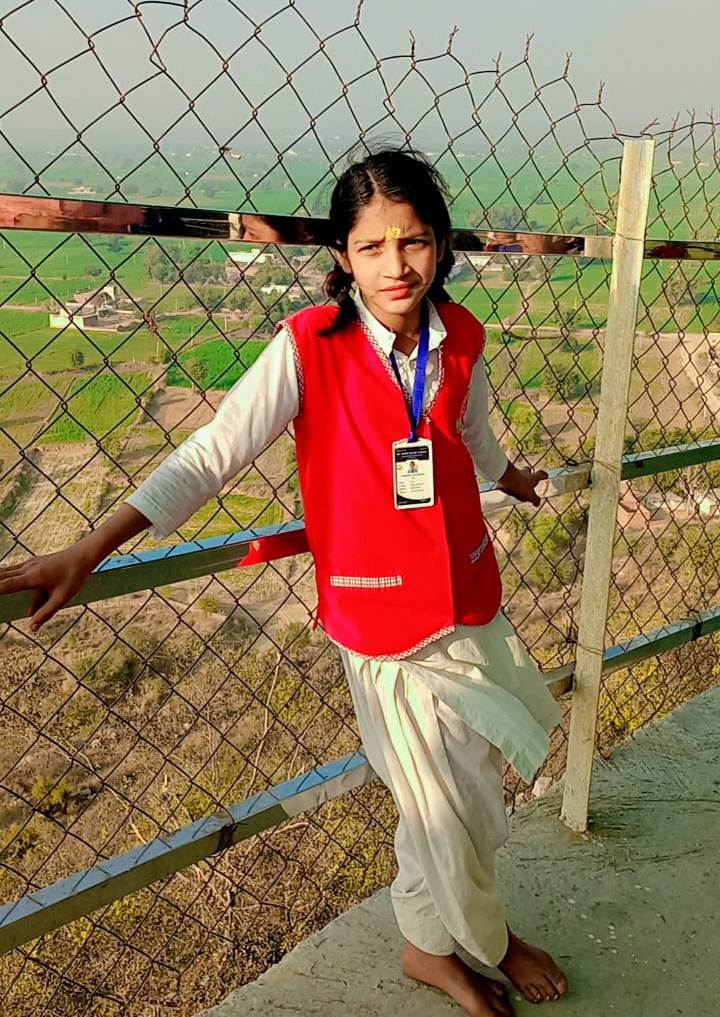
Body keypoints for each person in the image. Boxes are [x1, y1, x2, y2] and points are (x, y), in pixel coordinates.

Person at [0, 148, 568, 1017]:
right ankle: (489, 943)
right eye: (371, 246)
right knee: (444, 811)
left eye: (413, 241)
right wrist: (92, 547)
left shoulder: (461, 337)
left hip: (468, 592)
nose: (395, 265)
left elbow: (473, 434)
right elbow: (211, 455)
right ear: (343, 255)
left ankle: (427, 947)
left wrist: (515, 478)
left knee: (472, 796)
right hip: (381, 625)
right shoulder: (309, 346)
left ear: (441, 244)